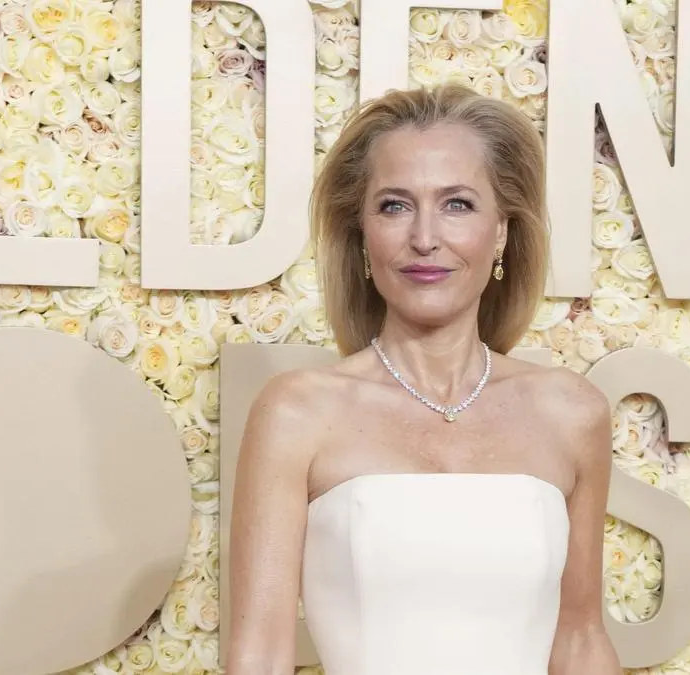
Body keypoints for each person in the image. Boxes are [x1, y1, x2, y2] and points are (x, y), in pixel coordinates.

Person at [226, 84, 621, 675]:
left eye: (457, 204)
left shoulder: (571, 412)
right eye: (394, 206)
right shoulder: (298, 411)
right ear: (362, 235)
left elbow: (581, 639)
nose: (425, 238)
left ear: (502, 232)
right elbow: (260, 653)